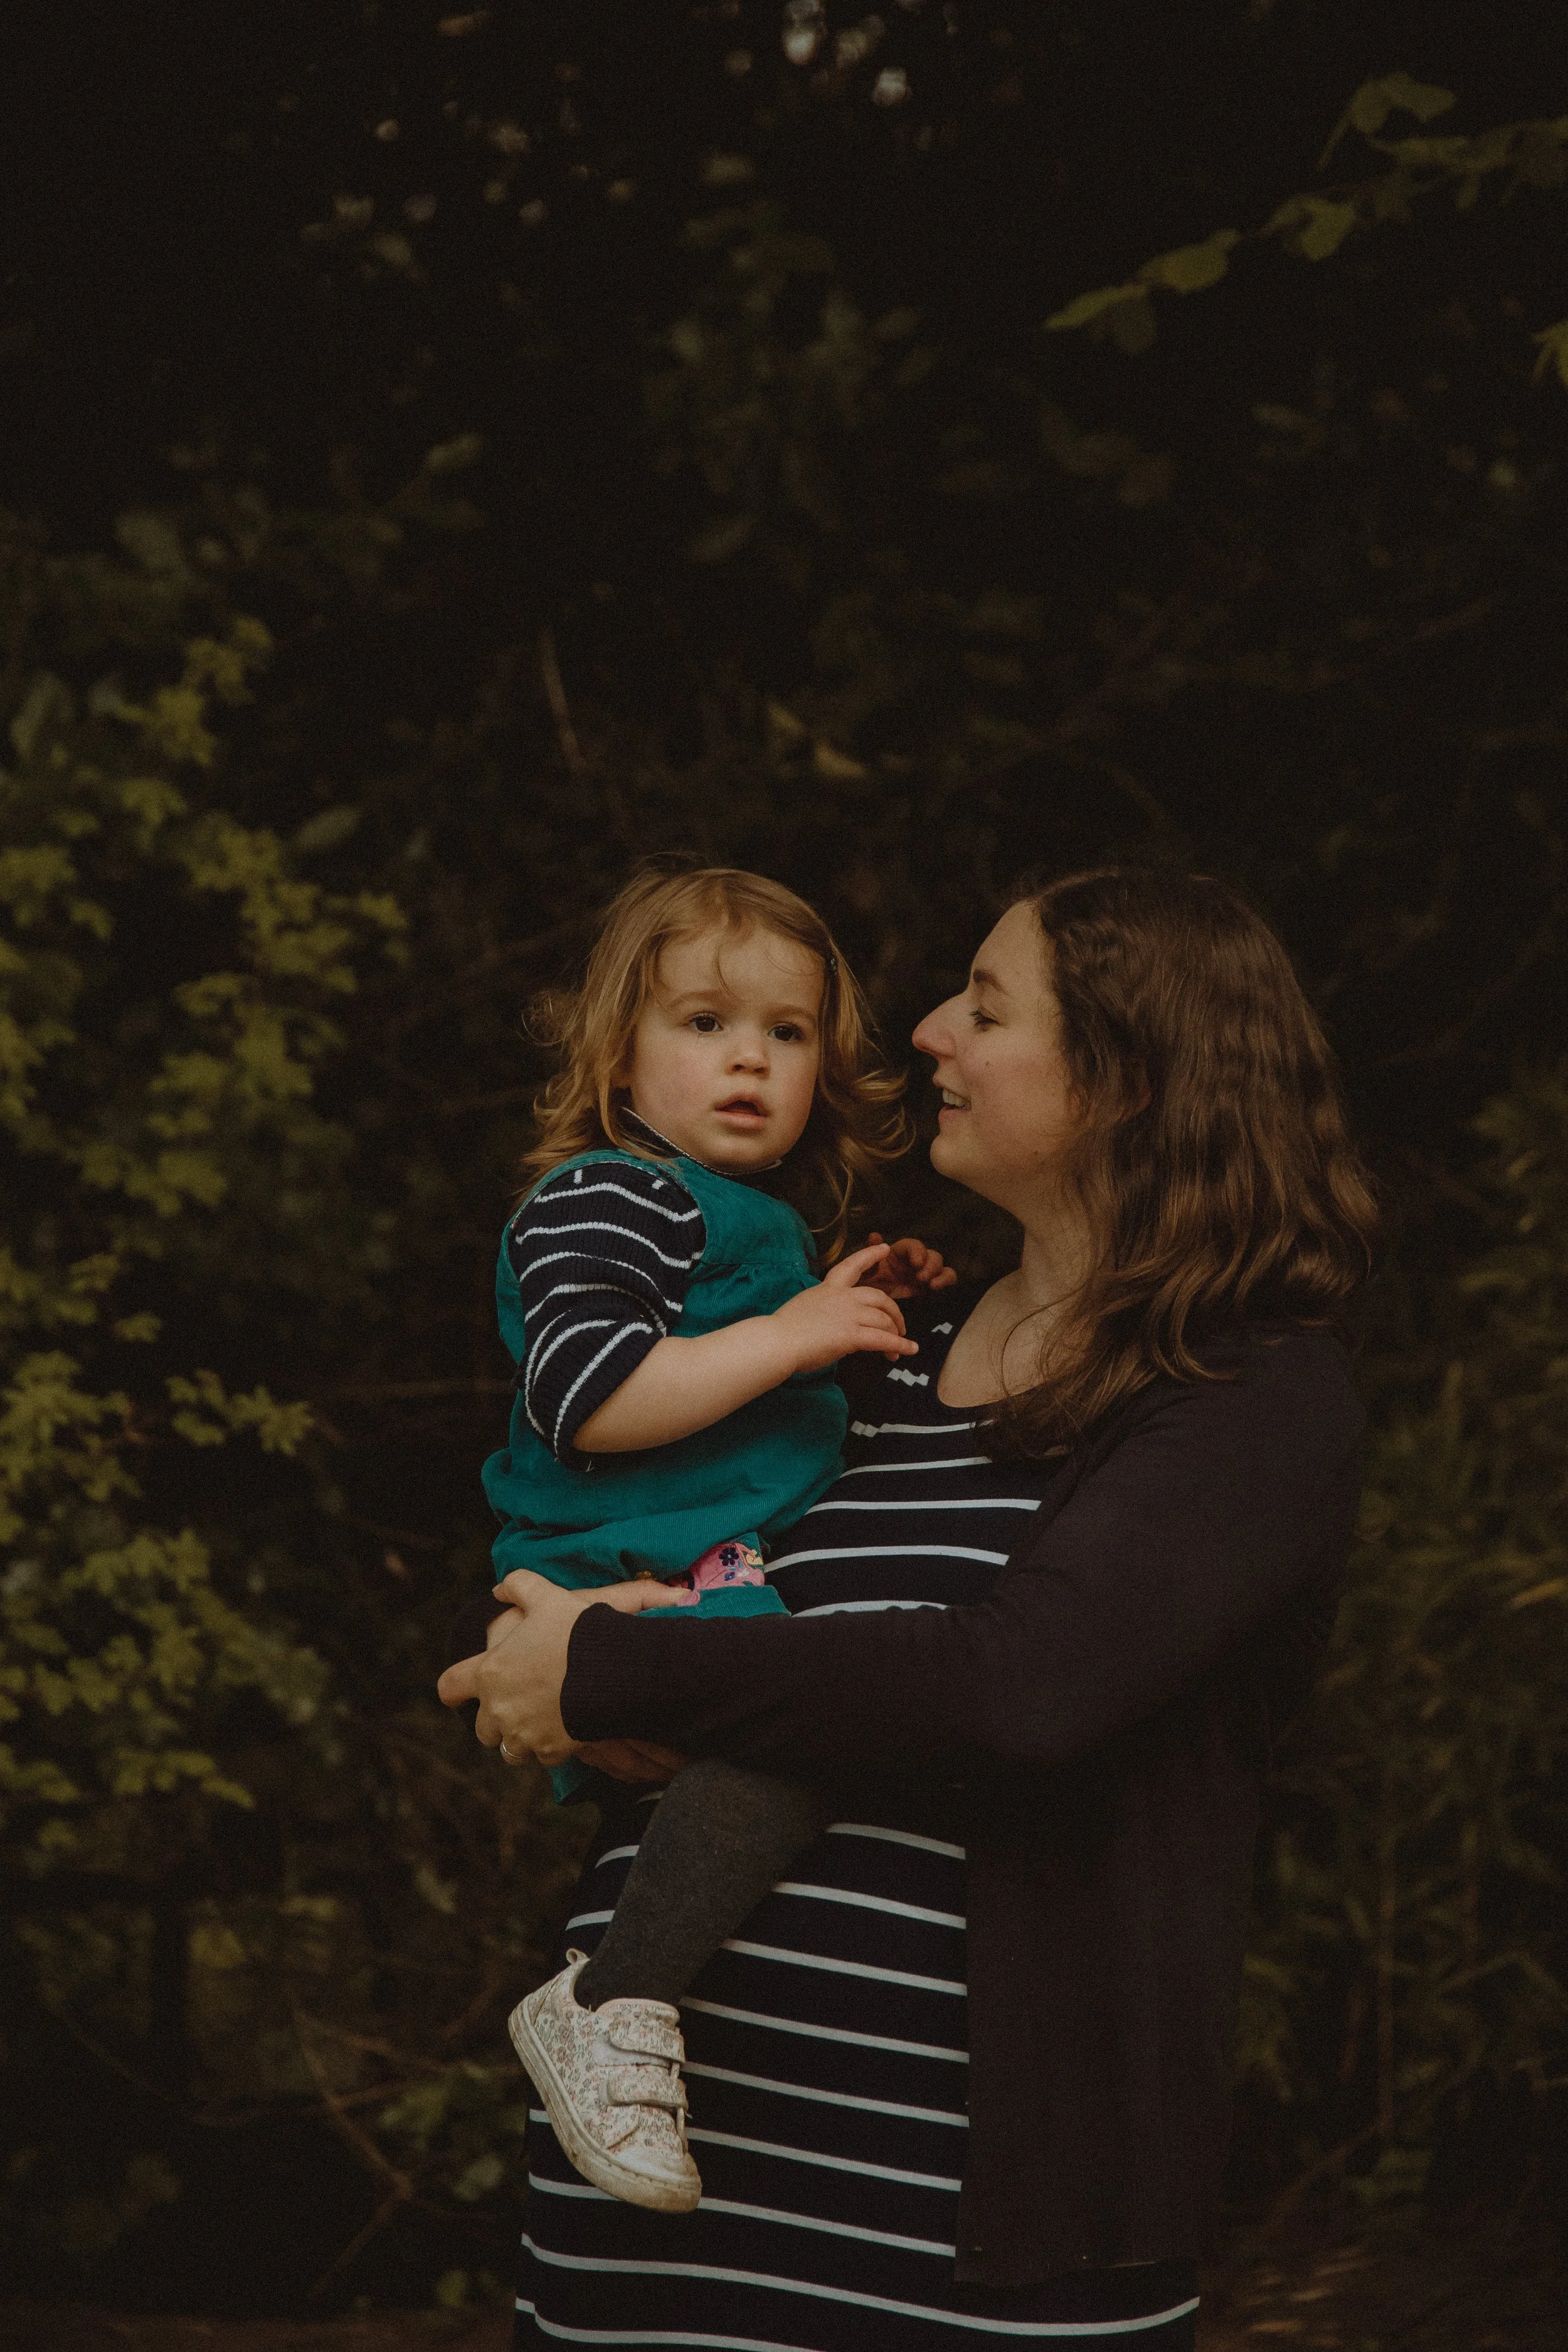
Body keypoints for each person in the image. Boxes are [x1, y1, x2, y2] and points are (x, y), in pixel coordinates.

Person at [441, 866, 1377, 2350]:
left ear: (1125, 1080)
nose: (928, 1029)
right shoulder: (859, 1351)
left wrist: (616, 1673)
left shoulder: (1247, 1397)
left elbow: (1018, 1684)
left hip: (956, 2244)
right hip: (655, 2212)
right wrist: (559, 1650)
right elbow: (669, 1569)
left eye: (986, 1006)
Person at [469, 862, 955, 2215]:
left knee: (794, 1740)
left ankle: (635, 1991)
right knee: (798, 1733)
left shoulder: (763, 1232)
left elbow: (764, 1404)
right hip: (618, 1567)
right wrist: (789, 1335)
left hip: (699, 1563)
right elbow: (587, 1395)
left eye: (785, 1033)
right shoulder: (610, 1195)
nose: (747, 1057)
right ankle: (609, 2003)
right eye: (701, 1022)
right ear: (619, 1059)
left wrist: (840, 1311)